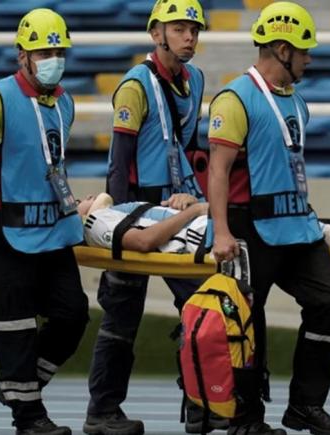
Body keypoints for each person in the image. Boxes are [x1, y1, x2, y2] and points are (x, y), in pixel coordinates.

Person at [207, 2, 330, 435]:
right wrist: (221, 230)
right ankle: (247, 419)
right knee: (249, 322)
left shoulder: (297, 103)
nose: (309, 58)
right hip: (249, 226)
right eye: (304, 50)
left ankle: (305, 406)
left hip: (297, 226)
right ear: (281, 49)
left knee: (329, 303)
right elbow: (217, 170)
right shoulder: (235, 98)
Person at [0, 9, 87, 435]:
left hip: (52, 227)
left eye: (59, 50)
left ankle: (19, 384)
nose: (53, 58)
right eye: (45, 51)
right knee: (16, 322)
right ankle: (29, 416)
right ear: (23, 54)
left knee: (73, 314)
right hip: (1, 226)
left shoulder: (65, 101)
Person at [83, 1, 212, 434]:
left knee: (203, 305)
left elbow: (195, 153)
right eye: (179, 29)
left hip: (176, 212)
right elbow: (119, 165)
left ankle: (198, 403)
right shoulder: (134, 87)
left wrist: (197, 198)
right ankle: (102, 412)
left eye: (194, 29)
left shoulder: (196, 80)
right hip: (134, 210)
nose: (189, 37)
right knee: (121, 317)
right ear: (157, 33)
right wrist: (117, 228)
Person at [77, 192, 330, 254]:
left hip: (205, 221)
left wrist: (186, 203)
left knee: (302, 221)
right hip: (206, 235)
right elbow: (142, 243)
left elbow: (159, 224)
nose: (84, 197)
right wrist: (195, 212)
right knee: (294, 224)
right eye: (78, 202)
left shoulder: (121, 208)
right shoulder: (95, 223)